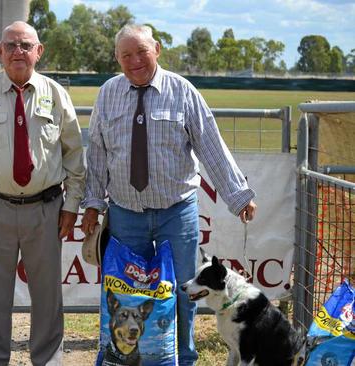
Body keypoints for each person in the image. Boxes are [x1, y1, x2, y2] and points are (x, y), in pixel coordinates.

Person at [80, 24, 257, 366]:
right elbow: (98, 154)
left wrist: (238, 195)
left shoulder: (183, 91)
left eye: (141, 52)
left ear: (157, 50)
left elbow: (211, 147)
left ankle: (183, 358)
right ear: (117, 59)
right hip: (125, 214)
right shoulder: (107, 93)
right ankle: (131, 359)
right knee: (127, 293)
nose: (134, 61)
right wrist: (92, 203)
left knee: (182, 291)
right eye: (125, 55)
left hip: (177, 214)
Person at [0, 21, 85, 366]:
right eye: (10, 45)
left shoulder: (55, 94)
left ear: (39, 52)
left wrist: (71, 205)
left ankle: (47, 361)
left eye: (26, 45)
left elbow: (74, 153)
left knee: (47, 297)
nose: (18, 52)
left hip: (46, 210)